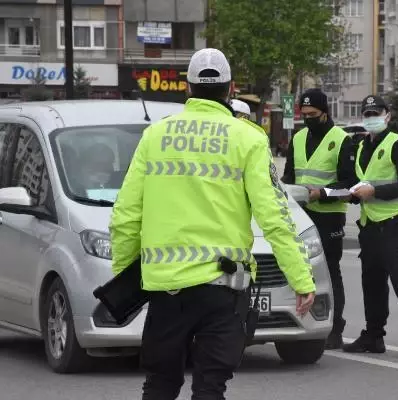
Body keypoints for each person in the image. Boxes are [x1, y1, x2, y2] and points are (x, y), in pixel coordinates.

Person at [109, 48, 316, 400]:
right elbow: (275, 216)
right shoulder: (248, 138)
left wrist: (125, 277)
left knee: (159, 384)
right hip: (222, 287)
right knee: (210, 386)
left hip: (166, 289)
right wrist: (300, 278)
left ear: (187, 88)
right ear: (230, 88)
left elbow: (126, 214)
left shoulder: (155, 137)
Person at [342, 95, 398, 357]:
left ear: (388, 115)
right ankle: (374, 335)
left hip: (396, 223)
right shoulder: (361, 146)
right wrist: (354, 194)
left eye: (376, 113)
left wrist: (373, 192)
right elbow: (363, 181)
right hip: (370, 224)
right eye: (367, 114)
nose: (371, 118)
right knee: (373, 282)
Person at [281, 88, 356, 349]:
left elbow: (350, 185)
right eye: (305, 114)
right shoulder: (299, 138)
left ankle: (335, 328)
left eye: (313, 114)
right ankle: (300, 320)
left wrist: (321, 193)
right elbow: (289, 177)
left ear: (325, 112)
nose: (308, 119)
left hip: (329, 216)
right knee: (299, 270)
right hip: (300, 216)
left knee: (329, 272)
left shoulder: (341, 139)